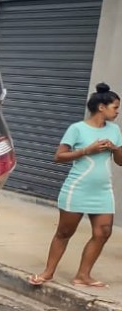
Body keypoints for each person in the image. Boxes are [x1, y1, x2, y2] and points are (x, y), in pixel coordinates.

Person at [29, 83, 122, 288]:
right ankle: (48, 273)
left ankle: (83, 275)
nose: (117, 112)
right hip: (77, 189)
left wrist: (115, 148)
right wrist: (87, 150)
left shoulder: (115, 130)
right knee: (64, 232)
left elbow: (121, 161)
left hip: (103, 191)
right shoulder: (77, 129)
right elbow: (59, 156)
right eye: (115, 107)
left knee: (103, 232)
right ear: (101, 107)